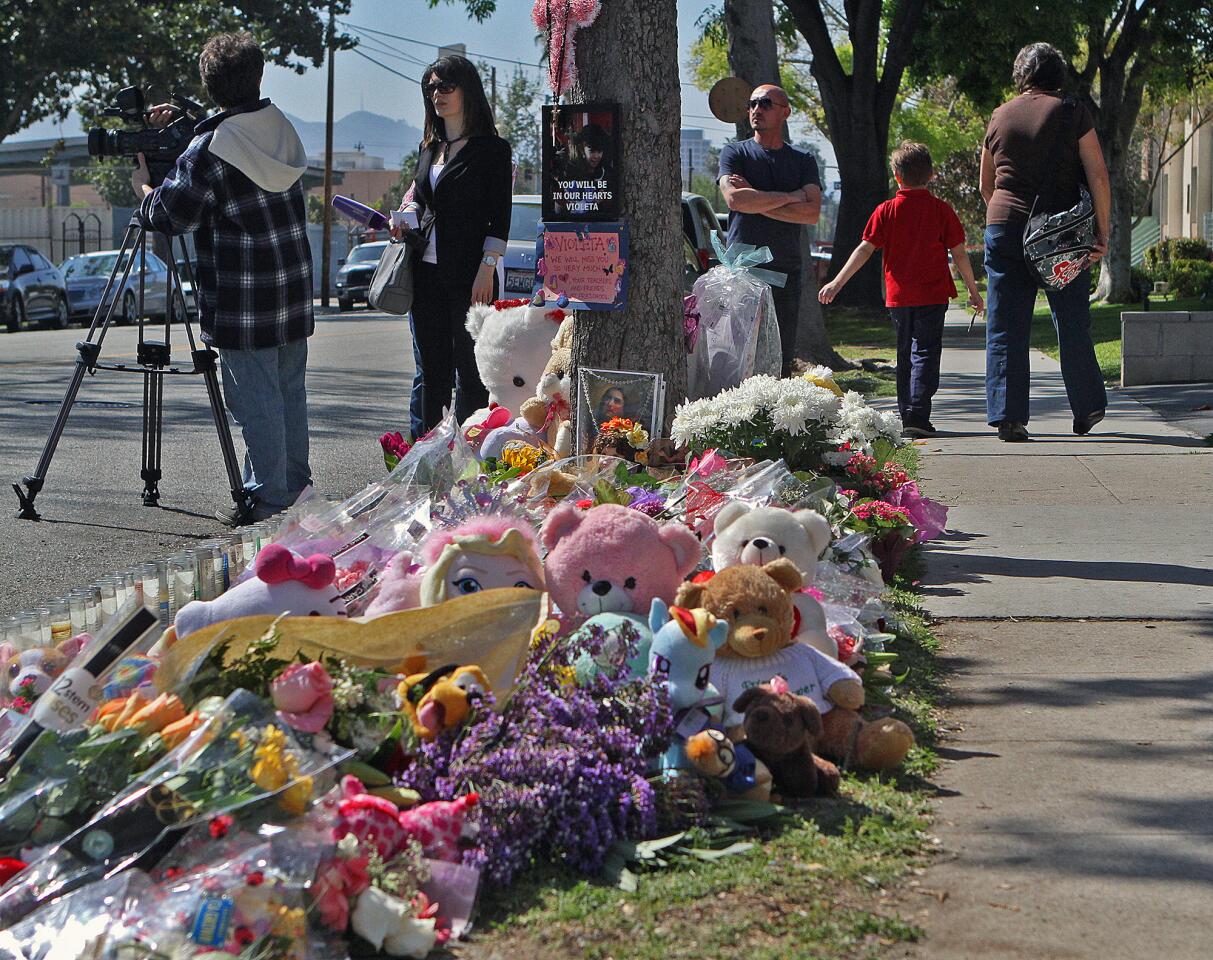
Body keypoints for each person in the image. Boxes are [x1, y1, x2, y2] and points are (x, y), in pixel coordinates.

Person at [132, 32, 313, 526]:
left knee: (255, 403)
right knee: (287, 395)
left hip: (242, 299)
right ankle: (296, 491)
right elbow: (240, 133)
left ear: (210, 84)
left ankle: (272, 502)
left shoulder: (209, 149)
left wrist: (144, 188)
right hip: (292, 292)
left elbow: (172, 213)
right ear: (257, 74)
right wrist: (193, 120)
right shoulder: (280, 128)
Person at [979, 42, 1111, 442]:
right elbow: (1098, 176)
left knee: (1004, 324)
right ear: (1059, 75)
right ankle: (1087, 406)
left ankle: (1008, 416)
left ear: (1022, 76)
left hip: (1004, 226)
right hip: (1062, 234)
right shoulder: (1072, 113)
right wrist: (1102, 233)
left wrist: (1012, 219)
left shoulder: (999, 116)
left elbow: (986, 185)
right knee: (1071, 319)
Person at [819, 142, 984, 439]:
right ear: (931, 175)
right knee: (926, 352)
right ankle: (918, 414)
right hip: (932, 295)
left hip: (899, 297)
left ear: (896, 175)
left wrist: (837, 282)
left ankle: (908, 412)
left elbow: (864, 249)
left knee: (906, 352)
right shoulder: (941, 210)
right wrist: (973, 290)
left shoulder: (886, 211)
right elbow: (959, 253)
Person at [394, 55, 512, 431]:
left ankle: (471, 458)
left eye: (446, 86)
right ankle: (428, 460)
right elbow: (423, 200)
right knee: (432, 372)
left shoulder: (492, 150)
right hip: (425, 273)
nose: (436, 94)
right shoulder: (429, 147)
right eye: (430, 87)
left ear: (467, 90)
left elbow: (500, 216)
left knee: (471, 371)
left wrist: (487, 267)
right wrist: (407, 213)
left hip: (470, 275)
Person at [718, 85, 822, 377]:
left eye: (765, 103)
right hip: (743, 268)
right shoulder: (734, 152)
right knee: (739, 354)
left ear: (785, 112)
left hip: (785, 270)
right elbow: (735, 199)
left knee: (781, 355)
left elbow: (812, 212)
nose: (756, 110)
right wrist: (790, 196)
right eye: (752, 104)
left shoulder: (803, 160)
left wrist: (756, 199)